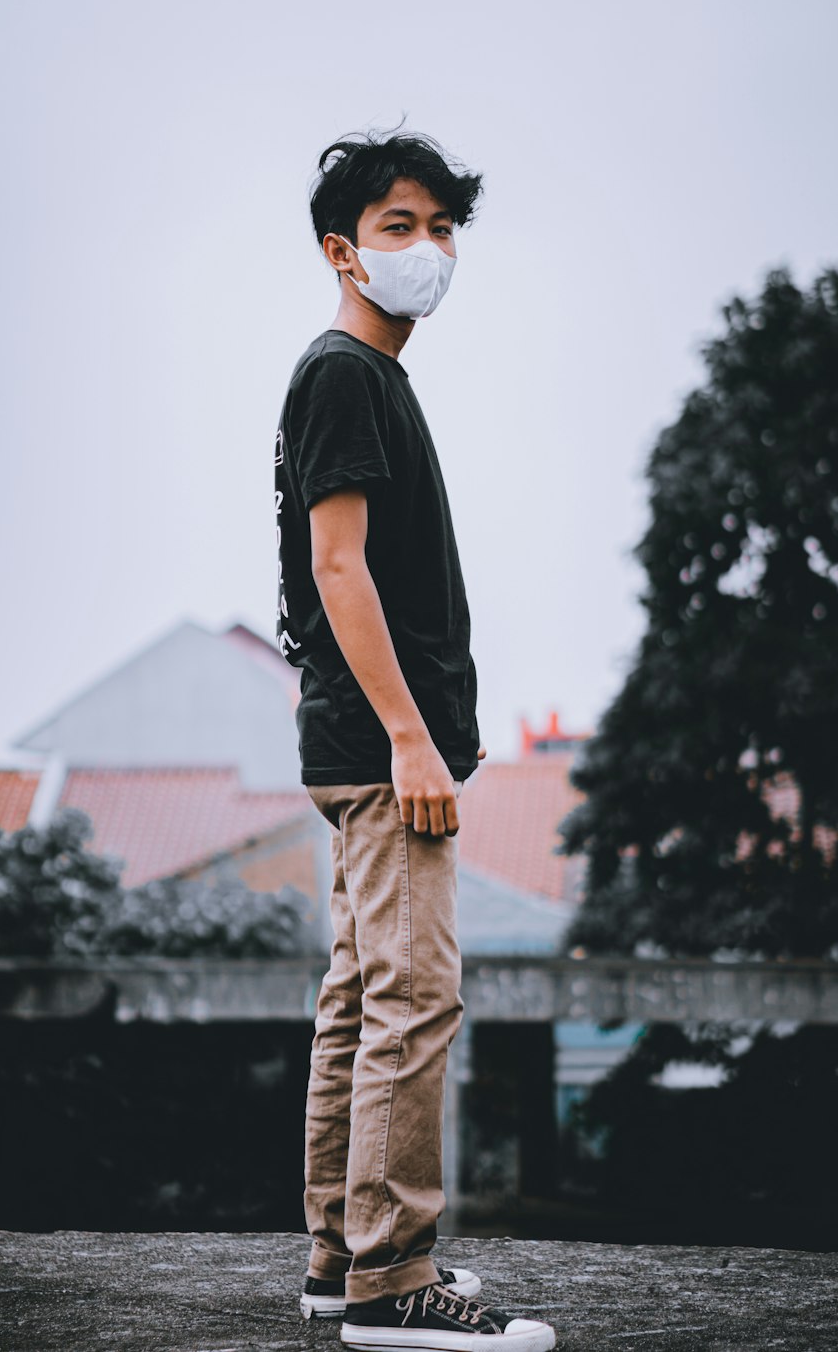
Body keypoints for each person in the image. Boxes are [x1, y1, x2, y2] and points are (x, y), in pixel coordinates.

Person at [274, 128, 556, 1351]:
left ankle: (343, 1262)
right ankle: (395, 1280)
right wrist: (410, 737)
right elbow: (337, 567)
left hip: (367, 742)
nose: (428, 250)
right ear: (342, 249)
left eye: (443, 229)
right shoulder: (344, 371)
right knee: (413, 997)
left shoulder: (373, 376)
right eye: (400, 227)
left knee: (358, 998)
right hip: (388, 750)